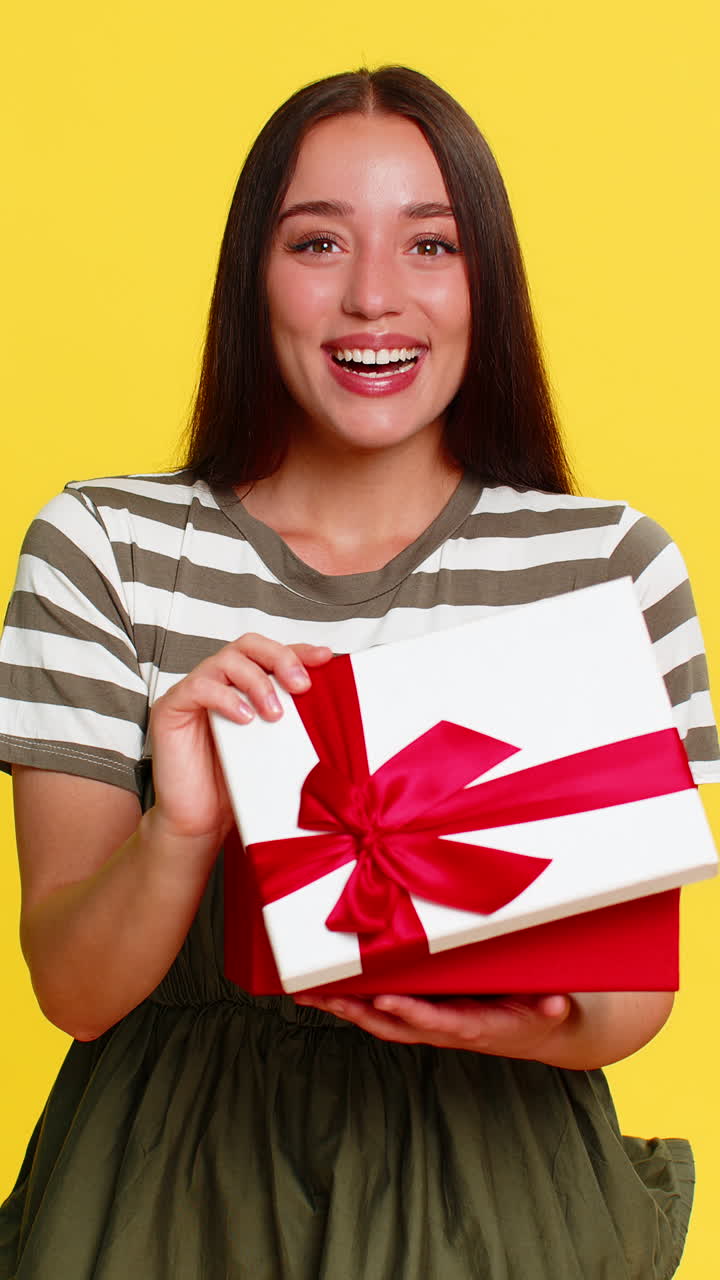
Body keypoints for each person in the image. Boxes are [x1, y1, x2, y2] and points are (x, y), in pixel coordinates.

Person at [0, 65, 717, 1280]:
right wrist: (183, 825)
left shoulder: (610, 565)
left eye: (430, 244)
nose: (373, 297)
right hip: (171, 1192)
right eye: (317, 242)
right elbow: (72, 985)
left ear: (484, 277)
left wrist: (513, 1019)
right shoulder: (105, 546)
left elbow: (631, 1002)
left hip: (502, 1193)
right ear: (251, 275)